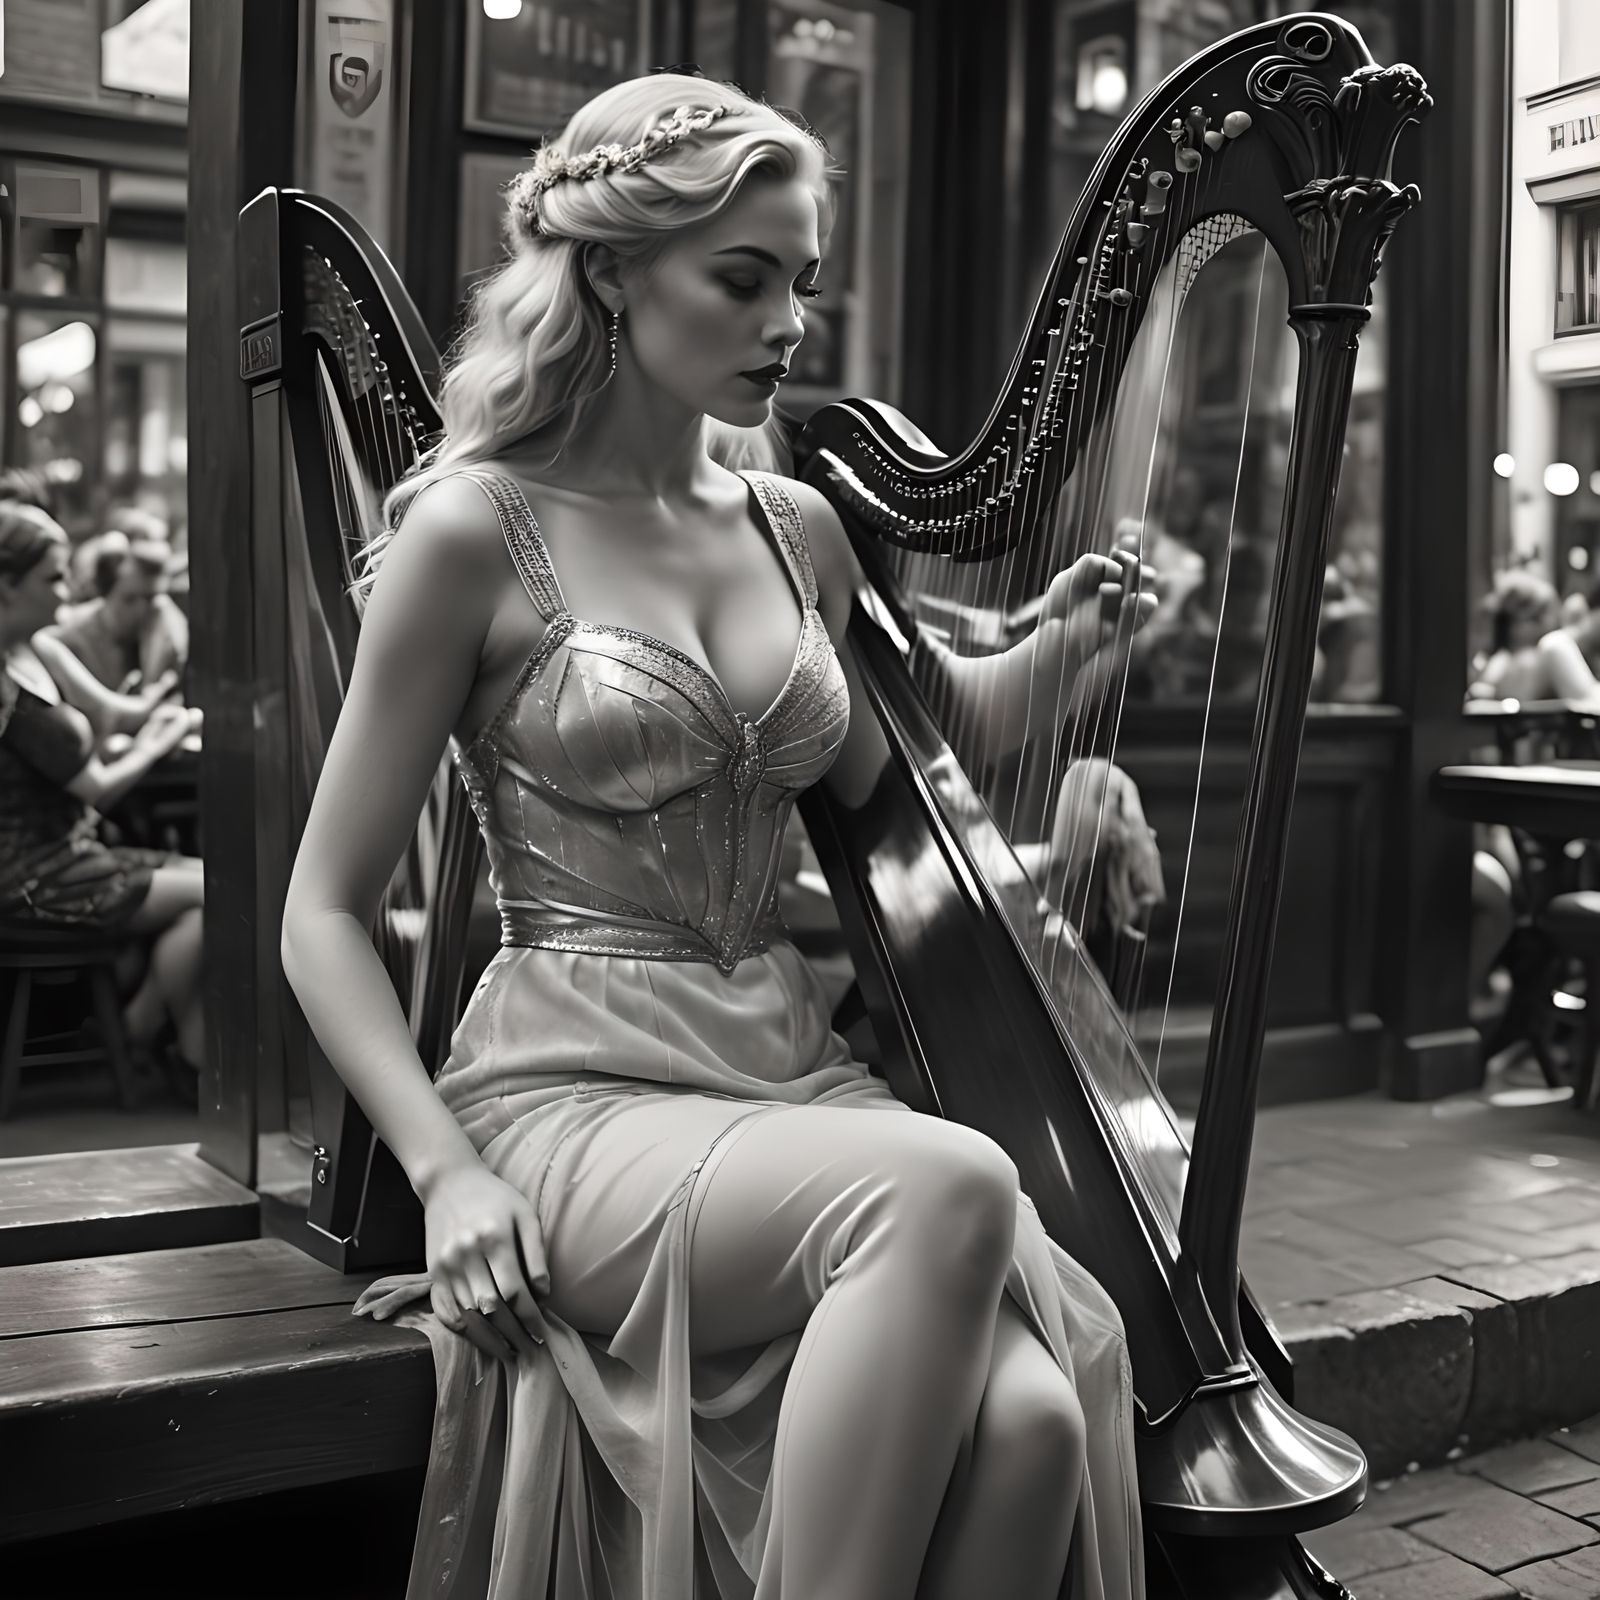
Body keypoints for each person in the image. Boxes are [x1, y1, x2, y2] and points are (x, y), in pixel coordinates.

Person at [281, 75, 1153, 1600]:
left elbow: (914, 756)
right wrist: (444, 1174)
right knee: (951, 1186)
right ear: (611, 272)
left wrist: (1069, 650)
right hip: (569, 1094)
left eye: (801, 281)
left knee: (1029, 1429)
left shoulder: (795, 528)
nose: (788, 320)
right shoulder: (476, 529)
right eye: (741, 278)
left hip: (777, 1071)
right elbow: (323, 912)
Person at [0, 500, 206, 1090]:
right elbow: (97, 790)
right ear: (8, 585)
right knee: (221, 895)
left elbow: (115, 715)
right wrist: (152, 743)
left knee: (216, 887)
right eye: (53, 576)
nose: (71, 586)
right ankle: (165, 1044)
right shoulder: (7, 677)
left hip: (71, 854)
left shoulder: (38, 647)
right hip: (30, 877)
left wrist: (166, 696)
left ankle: (155, 1038)